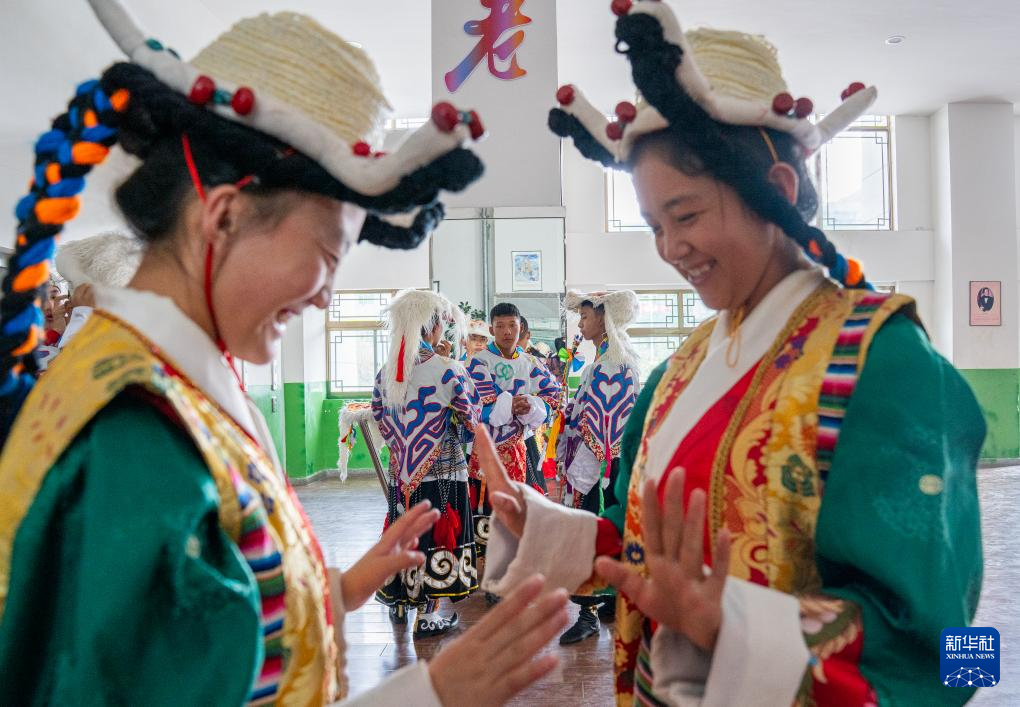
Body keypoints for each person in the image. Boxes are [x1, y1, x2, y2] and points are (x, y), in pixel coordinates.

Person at [0, 3, 569, 704]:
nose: (326, 298)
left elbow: (199, 637)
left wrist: (332, 591)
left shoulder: (171, 381)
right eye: (327, 256)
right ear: (223, 215)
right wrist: (430, 693)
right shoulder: (133, 434)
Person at [476, 3, 984, 706]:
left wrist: (734, 627)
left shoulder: (883, 362)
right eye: (654, 225)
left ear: (776, 191)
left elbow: (950, 645)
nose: (669, 248)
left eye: (685, 215)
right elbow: (641, 539)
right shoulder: (676, 371)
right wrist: (543, 528)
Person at [372, 289, 479, 637]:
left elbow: (378, 414)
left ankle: (401, 602)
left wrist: (402, 446)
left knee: (405, 531)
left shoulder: (386, 372)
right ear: (432, 328)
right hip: (443, 468)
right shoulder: (448, 370)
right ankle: (429, 616)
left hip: (402, 473)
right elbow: (472, 416)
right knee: (436, 537)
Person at [555, 290, 640, 645]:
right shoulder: (609, 360)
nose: (580, 323)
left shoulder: (613, 365)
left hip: (599, 467)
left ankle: (589, 611)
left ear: (604, 320)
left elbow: (605, 425)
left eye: (586, 316)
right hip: (605, 466)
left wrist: (573, 425)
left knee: (590, 530)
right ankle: (608, 598)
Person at [465, 303, 560, 571]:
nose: (507, 332)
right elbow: (476, 405)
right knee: (486, 505)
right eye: (501, 326)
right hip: (486, 447)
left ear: (521, 327)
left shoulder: (530, 362)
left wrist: (533, 405)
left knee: (515, 502)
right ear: (492, 328)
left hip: (517, 448)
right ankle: (489, 564)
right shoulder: (479, 361)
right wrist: (509, 404)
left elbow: (554, 393)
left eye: (512, 326)